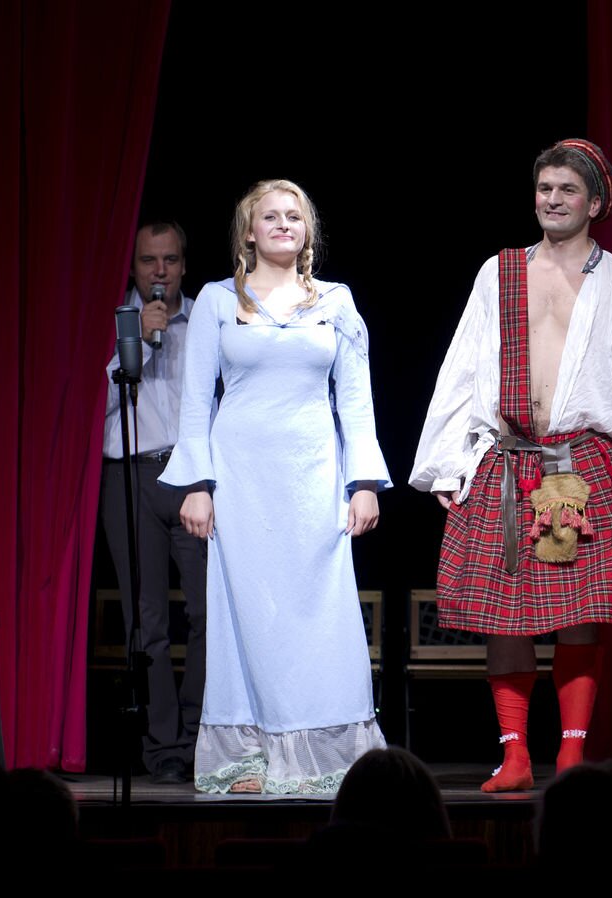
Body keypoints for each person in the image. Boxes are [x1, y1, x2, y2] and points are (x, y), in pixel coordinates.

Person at [410, 139, 612, 792]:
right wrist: (446, 461)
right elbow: (464, 362)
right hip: (505, 459)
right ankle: (516, 756)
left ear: (595, 202)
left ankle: (573, 755)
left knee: (580, 608)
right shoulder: (500, 272)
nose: (552, 200)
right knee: (504, 613)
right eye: (545, 188)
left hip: (580, 459)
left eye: (567, 190)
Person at [161, 179, 390, 793]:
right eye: (271, 216)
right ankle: (248, 755)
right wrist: (197, 484)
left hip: (314, 480)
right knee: (246, 615)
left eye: (294, 215)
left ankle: (326, 753)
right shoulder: (217, 300)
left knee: (321, 615)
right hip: (242, 480)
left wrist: (363, 483)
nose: (284, 224)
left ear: (307, 230)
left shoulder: (336, 301)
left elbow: (356, 401)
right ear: (249, 231)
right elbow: (195, 400)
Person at [100, 221, 206, 784]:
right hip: (130, 476)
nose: (159, 272)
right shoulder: (114, 320)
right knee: (148, 621)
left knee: (207, 613)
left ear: (183, 266)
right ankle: (162, 747)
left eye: (169, 260)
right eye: (148, 261)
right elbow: (91, 401)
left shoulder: (206, 319)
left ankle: (198, 737)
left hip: (191, 479)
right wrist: (137, 340)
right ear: (133, 267)